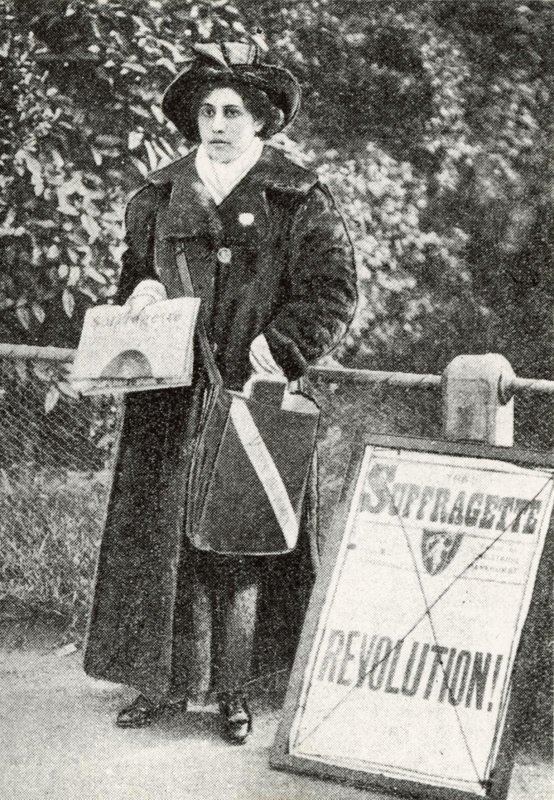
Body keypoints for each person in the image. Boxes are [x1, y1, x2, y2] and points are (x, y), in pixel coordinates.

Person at [84, 40, 357, 744]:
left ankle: (236, 692)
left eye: (234, 111)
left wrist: (285, 344)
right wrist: (141, 289)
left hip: (250, 391)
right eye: (207, 110)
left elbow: (333, 292)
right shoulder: (158, 193)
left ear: (263, 120)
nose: (218, 123)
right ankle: (162, 687)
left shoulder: (298, 195)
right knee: (161, 542)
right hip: (168, 396)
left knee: (241, 544)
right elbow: (131, 274)